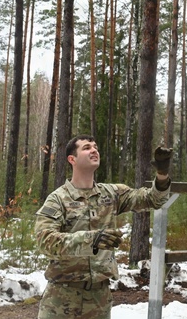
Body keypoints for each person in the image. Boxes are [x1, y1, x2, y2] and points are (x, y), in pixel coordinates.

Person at [34, 136, 172, 319]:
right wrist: (91, 240)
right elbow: (45, 240)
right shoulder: (58, 199)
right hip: (61, 300)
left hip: (100, 299)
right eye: (86, 147)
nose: (94, 150)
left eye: (96, 147)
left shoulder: (111, 194)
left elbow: (152, 199)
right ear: (72, 159)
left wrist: (162, 175)